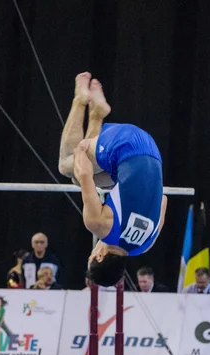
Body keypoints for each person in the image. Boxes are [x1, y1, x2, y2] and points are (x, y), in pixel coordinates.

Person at [58, 72, 167, 287]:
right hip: (126, 145)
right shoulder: (97, 225)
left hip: (153, 154)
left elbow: (162, 199)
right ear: (98, 257)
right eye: (91, 256)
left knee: (79, 182)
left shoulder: (145, 244)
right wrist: (82, 149)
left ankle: (98, 113)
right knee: (66, 166)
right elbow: (85, 173)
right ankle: (81, 99)